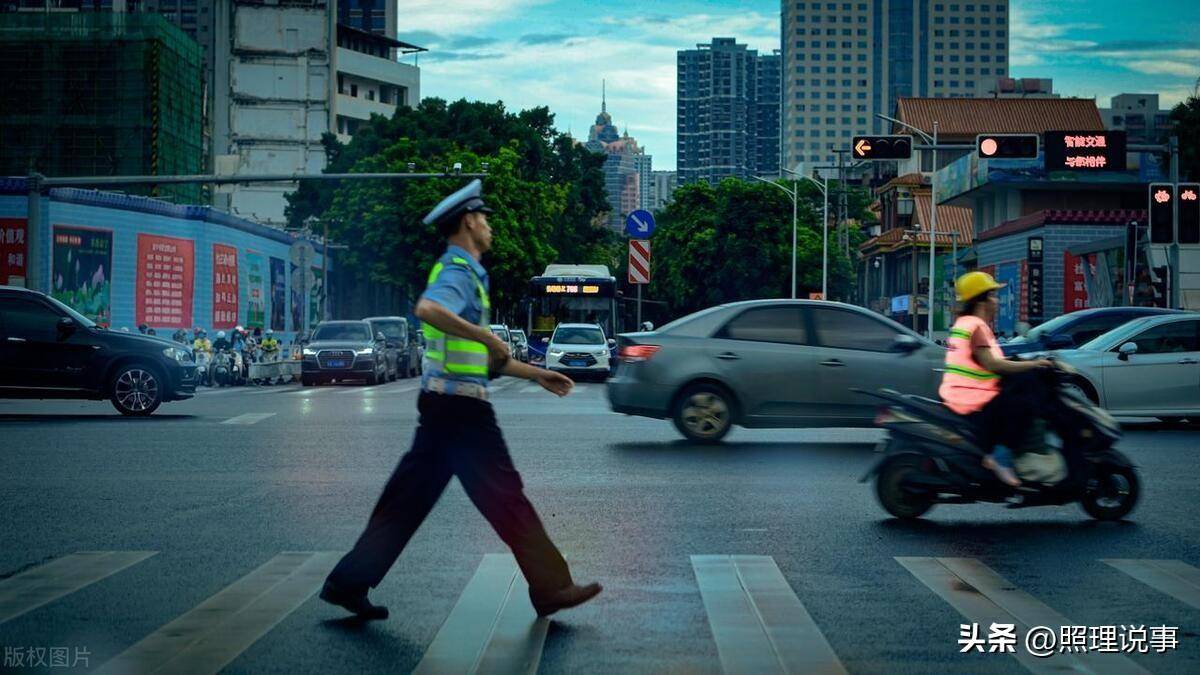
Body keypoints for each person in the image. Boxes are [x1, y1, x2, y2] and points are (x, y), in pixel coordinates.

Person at [321, 179, 602, 620]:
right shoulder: (457, 272)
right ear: (469, 222)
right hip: (461, 412)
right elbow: (428, 310)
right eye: (485, 218)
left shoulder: (467, 274)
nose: (490, 226)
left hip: (445, 406)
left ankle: (348, 582)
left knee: (406, 501)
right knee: (506, 496)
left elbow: (484, 358)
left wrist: (536, 374)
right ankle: (552, 587)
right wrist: (485, 334)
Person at [940, 272, 1055, 487]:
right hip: (973, 399)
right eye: (993, 295)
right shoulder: (976, 327)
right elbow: (993, 364)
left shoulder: (967, 323)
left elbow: (986, 362)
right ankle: (1000, 457)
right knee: (1024, 404)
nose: (996, 301)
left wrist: (1023, 362)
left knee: (1023, 385)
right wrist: (1034, 364)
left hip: (965, 392)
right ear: (981, 300)